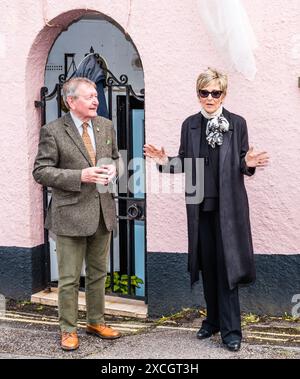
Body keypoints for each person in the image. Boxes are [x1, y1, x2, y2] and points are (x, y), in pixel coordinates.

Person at [144, 68, 269, 352]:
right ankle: (212, 321)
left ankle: (231, 330)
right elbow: (185, 163)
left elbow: (242, 163)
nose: (210, 98)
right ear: (198, 93)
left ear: (224, 94)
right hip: (200, 208)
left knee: (228, 267)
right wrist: (164, 160)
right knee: (207, 266)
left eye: (216, 93)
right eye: (204, 92)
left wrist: (247, 160)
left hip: (229, 209)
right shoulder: (190, 124)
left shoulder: (237, 123)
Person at [33, 77, 123, 351]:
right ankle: (68, 329)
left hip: (102, 212)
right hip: (69, 215)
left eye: (96, 95)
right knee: (70, 278)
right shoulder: (53, 131)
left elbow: (116, 157)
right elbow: (41, 171)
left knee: (98, 274)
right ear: (71, 101)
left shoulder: (106, 125)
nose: (96, 100)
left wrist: (114, 169)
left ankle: (96, 321)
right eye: (90, 96)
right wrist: (79, 175)